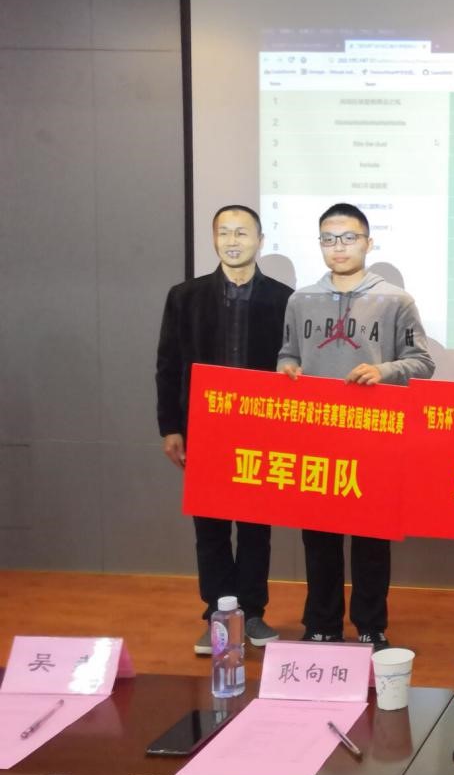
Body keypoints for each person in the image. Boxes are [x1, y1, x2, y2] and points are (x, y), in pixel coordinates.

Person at [277, 202, 434, 649]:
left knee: (371, 541)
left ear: (368, 242)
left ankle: (370, 626)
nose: (339, 247)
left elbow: (423, 362)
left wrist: (383, 371)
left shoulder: (396, 300)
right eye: (329, 239)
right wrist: (287, 367)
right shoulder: (300, 299)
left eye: (349, 238)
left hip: (374, 437)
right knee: (319, 539)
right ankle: (321, 623)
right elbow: (288, 352)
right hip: (317, 436)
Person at [156, 204, 292, 655]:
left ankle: (251, 612)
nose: (233, 241)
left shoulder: (284, 299)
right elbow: (168, 366)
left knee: (256, 528)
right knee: (210, 528)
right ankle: (217, 613)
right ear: (214, 239)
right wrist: (171, 427)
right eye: (224, 233)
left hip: (261, 432)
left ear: (260, 241)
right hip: (204, 430)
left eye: (242, 233)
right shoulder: (185, 296)